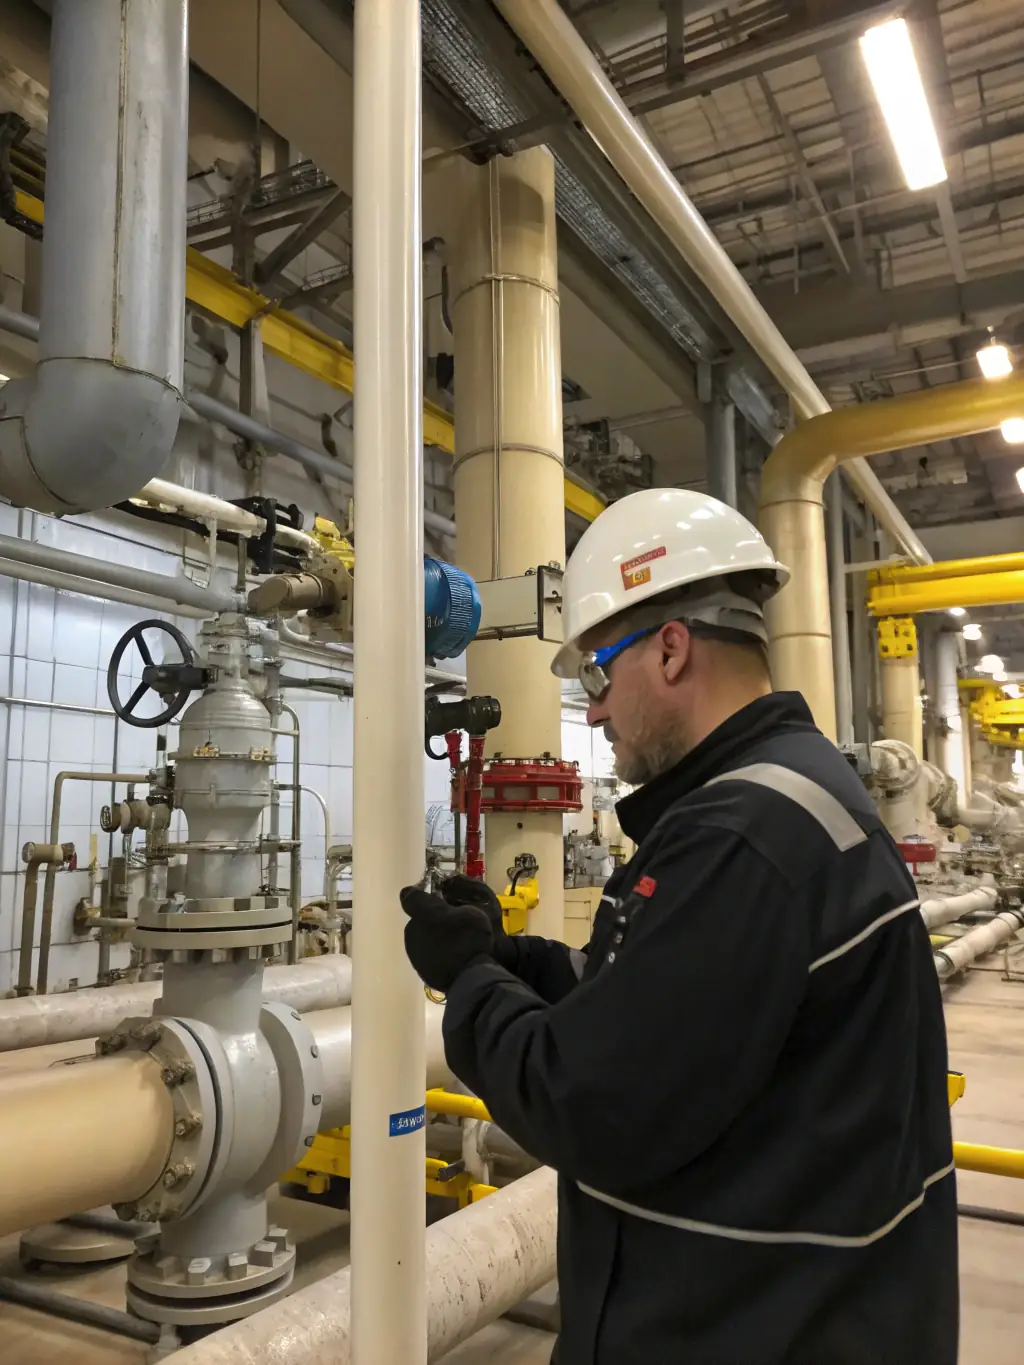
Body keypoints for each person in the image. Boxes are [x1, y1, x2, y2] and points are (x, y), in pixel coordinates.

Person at [401, 487, 958, 1365]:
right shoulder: (783, 797)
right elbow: (659, 1004)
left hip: (743, 1326)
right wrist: (510, 955)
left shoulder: (741, 838)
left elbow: (588, 1103)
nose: (592, 711)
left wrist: (470, 983)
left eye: (596, 673)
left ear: (668, 650)